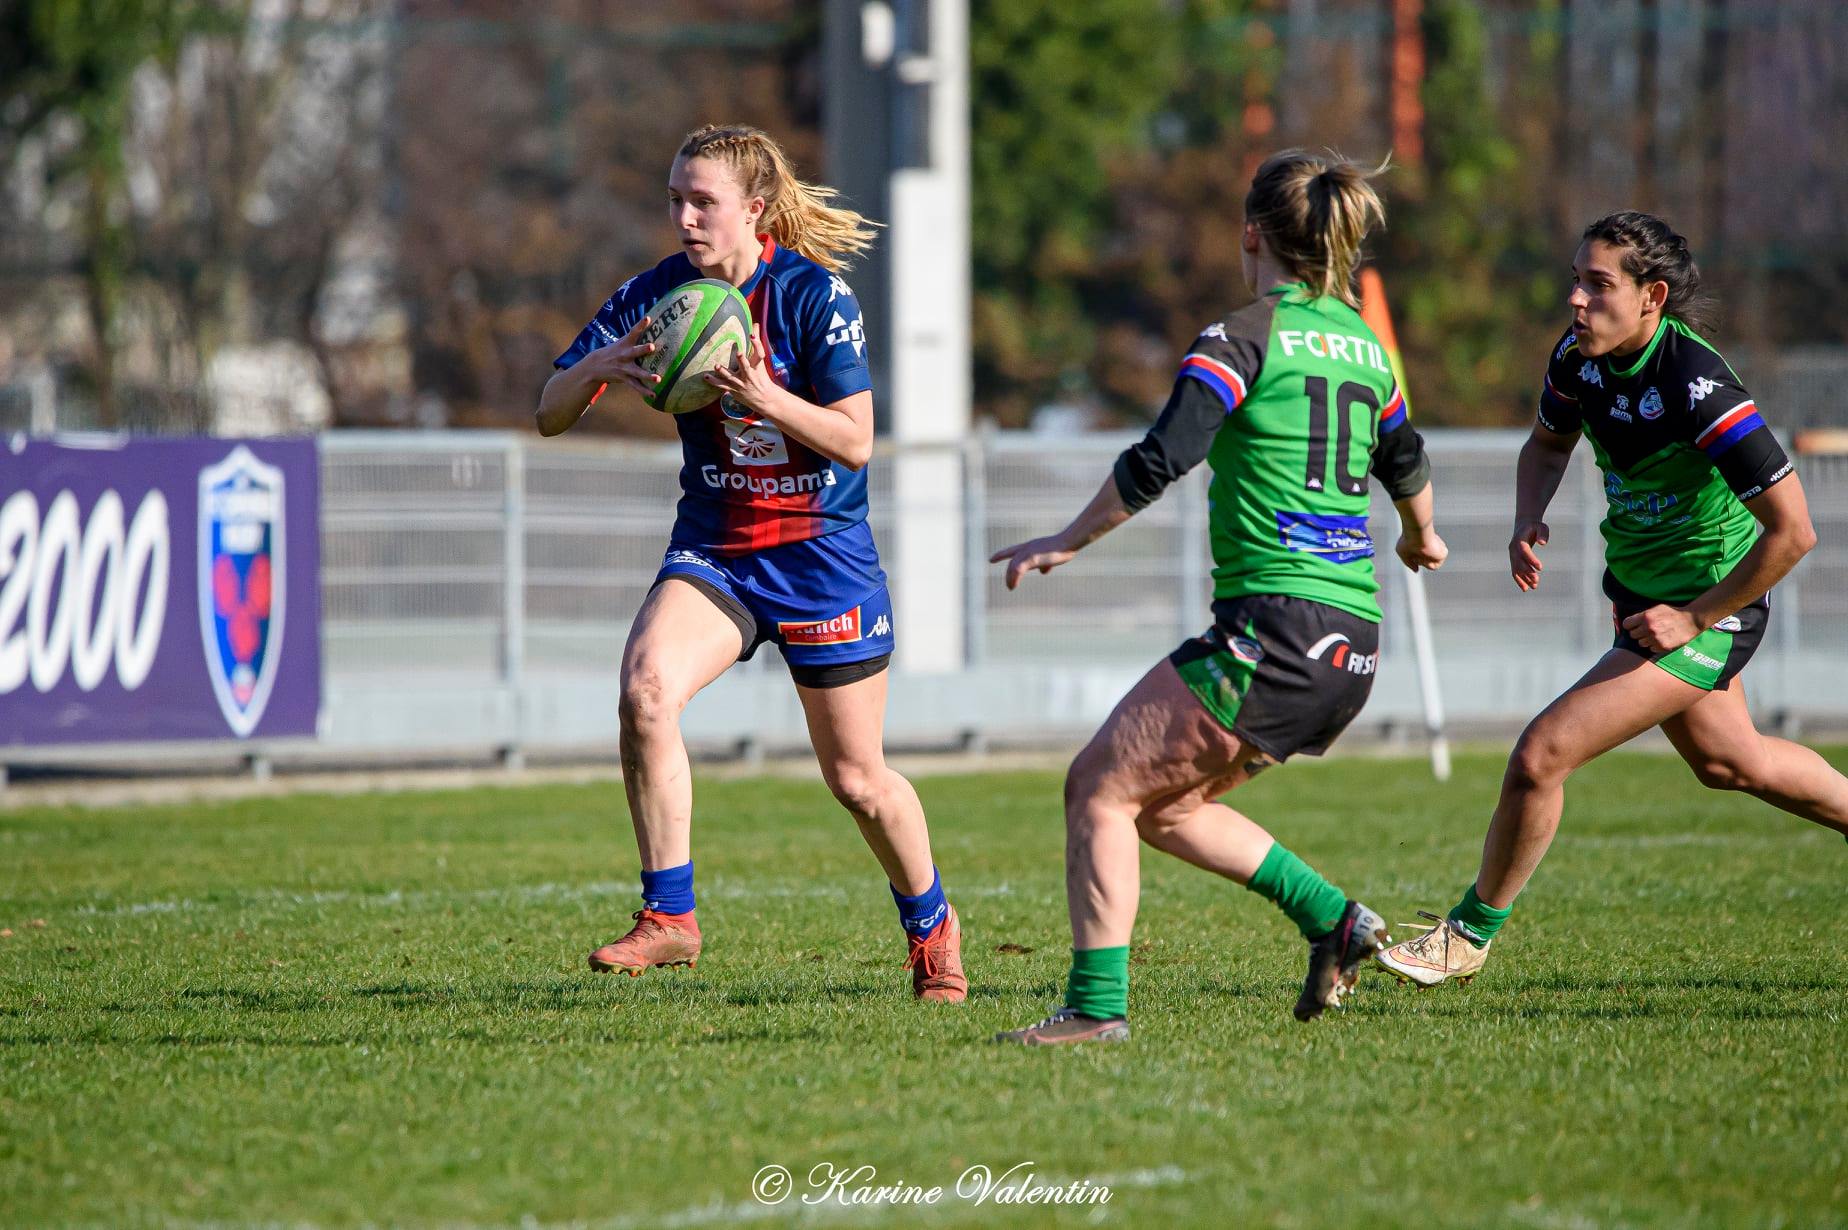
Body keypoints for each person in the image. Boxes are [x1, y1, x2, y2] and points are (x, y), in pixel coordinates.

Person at [990, 150, 1447, 1045]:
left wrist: (1065, 541)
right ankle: (1334, 919)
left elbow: (1164, 455)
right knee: (1164, 806)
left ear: (1251, 236)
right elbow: (1406, 460)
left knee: (1098, 786)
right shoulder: (1367, 350)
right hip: (1350, 640)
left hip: (1276, 627)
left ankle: (1095, 1010)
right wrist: (1420, 535)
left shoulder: (1242, 337)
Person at [535, 123, 966, 1002]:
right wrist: (603, 368)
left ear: (755, 210)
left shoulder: (814, 297)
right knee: (646, 692)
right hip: (719, 546)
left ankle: (931, 927)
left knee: (856, 778)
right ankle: (670, 918)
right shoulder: (660, 295)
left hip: (821, 556)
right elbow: (547, 410)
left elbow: (856, 440)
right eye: (675, 200)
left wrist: (768, 396)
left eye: (704, 202)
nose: (685, 218)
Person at [1375, 211, 1847, 988]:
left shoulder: (1699, 388)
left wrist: (1697, 615)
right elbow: (1546, 444)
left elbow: (1793, 533)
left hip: (1705, 607)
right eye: (1576, 280)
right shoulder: (1578, 359)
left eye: (1599, 286)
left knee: (1539, 756)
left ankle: (1467, 936)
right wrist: (1531, 514)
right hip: (1642, 597)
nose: (1576, 300)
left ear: (1652, 296)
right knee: (1734, 762)